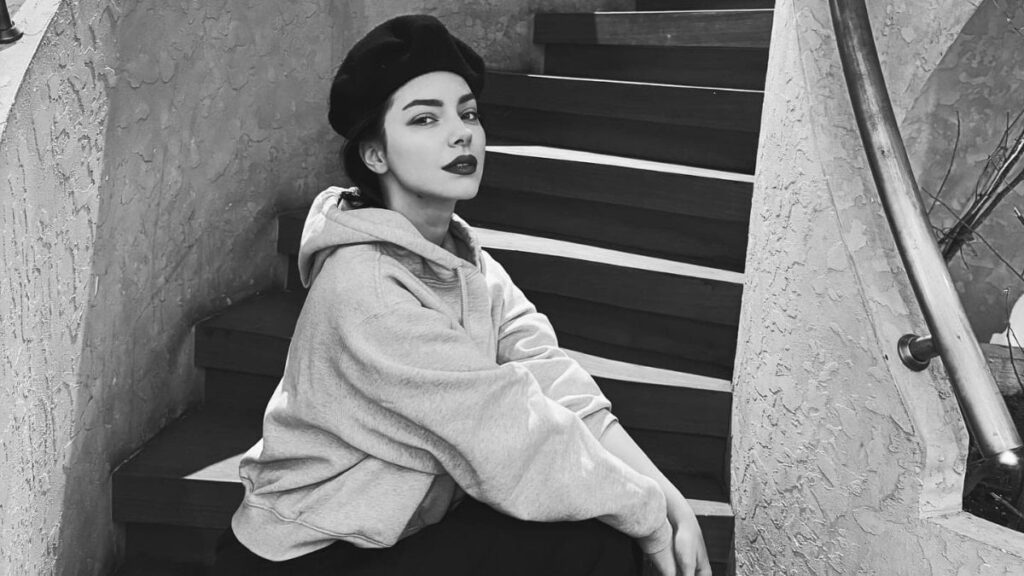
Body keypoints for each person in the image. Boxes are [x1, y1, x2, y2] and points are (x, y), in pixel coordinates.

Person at [213, 14, 711, 576]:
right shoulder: (367, 291)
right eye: (425, 118)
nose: (461, 133)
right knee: (597, 542)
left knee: (591, 528)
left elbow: (550, 377)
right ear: (375, 155)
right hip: (310, 550)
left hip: (400, 522)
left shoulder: (463, 259)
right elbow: (511, 434)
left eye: (468, 113)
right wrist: (649, 520)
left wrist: (666, 497)